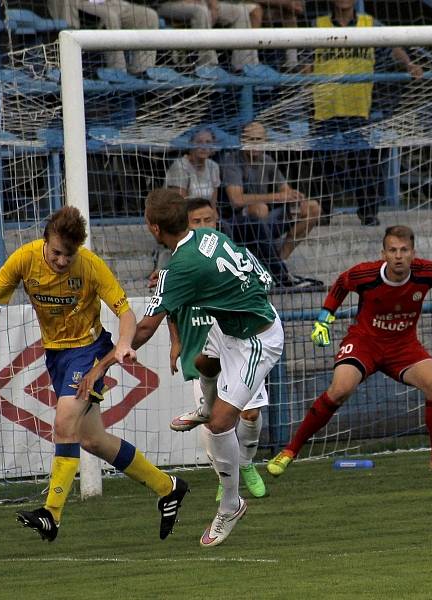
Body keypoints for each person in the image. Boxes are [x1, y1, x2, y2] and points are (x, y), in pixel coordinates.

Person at [77, 188, 283, 547]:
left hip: (255, 342)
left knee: (221, 425)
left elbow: (142, 330)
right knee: (203, 361)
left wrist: (103, 365)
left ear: (154, 228)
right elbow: (256, 273)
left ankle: (231, 505)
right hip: (232, 326)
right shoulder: (207, 235)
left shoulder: (179, 267)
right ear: (187, 219)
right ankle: (203, 406)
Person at [0, 206, 187, 542]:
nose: (62, 261)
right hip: (56, 355)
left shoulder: (89, 265)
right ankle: (169, 487)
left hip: (89, 351)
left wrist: (123, 345)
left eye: (68, 255)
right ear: (46, 240)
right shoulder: (24, 259)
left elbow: (125, 311)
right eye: (57, 253)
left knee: (63, 421)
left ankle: (51, 514)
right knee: (92, 440)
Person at [266, 224, 432, 478]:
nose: (398, 255)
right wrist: (324, 318)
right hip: (364, 343)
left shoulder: (426, 271)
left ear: (413, 253)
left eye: (404, 250)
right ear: (383, 253)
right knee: (340, 389)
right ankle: (289, 451)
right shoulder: (365, 274)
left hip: (403, 346)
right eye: (393, 250)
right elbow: (341, 284)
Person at [159, 198, 268, 500]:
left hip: (239, 342)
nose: (205, 226)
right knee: (215, 420)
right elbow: (170, 309)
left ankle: (245, 465)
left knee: (251, 413)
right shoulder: (179, 266)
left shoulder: (227, 255)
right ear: (185, 226)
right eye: (198, 221)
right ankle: (226, 477)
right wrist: (176, 342)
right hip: (202, 346)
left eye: (210, 219)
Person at [308, 0, 423, 226]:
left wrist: (409, 64)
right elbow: (305, 58)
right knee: (321, 162)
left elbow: (392, 45)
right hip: (325, 107)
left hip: (359, 107)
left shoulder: (370, 24)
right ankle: (323, 213)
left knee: (364, 162)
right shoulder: (317, 25)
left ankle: (368, 213)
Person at [222, 121, 321, 266]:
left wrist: (296, 198)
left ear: (265, 141)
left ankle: (280, 260)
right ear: (242, 140)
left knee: (313, 207)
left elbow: (284, 190)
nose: (255, 144)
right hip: (238, 223)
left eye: (259, 140)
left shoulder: (267, 160)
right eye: (251, 139)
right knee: (260, 208)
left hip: (268, 219)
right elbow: (236, 200)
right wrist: (277, 197)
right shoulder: (232, 161)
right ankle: (259, 260)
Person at [48, 0, 159, 75]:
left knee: (148, 16)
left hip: (108, 2)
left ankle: (142, 73)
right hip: (77, 3)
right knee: (110, 17)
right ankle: (118, 73)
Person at [156, 0, 261, 71]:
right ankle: (208, 65)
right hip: (166, 4)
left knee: (240, 11)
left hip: (200, 3)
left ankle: (245, 66)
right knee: (201, 11)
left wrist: (213, 6)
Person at [165, 128, 221, 205]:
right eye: (199, 142)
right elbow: (180, 205)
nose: (204, 147)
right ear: (190, 144)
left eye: (208, 142)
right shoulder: (180, 166)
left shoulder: (213, 166)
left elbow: (213, 205)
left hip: (204, 214)